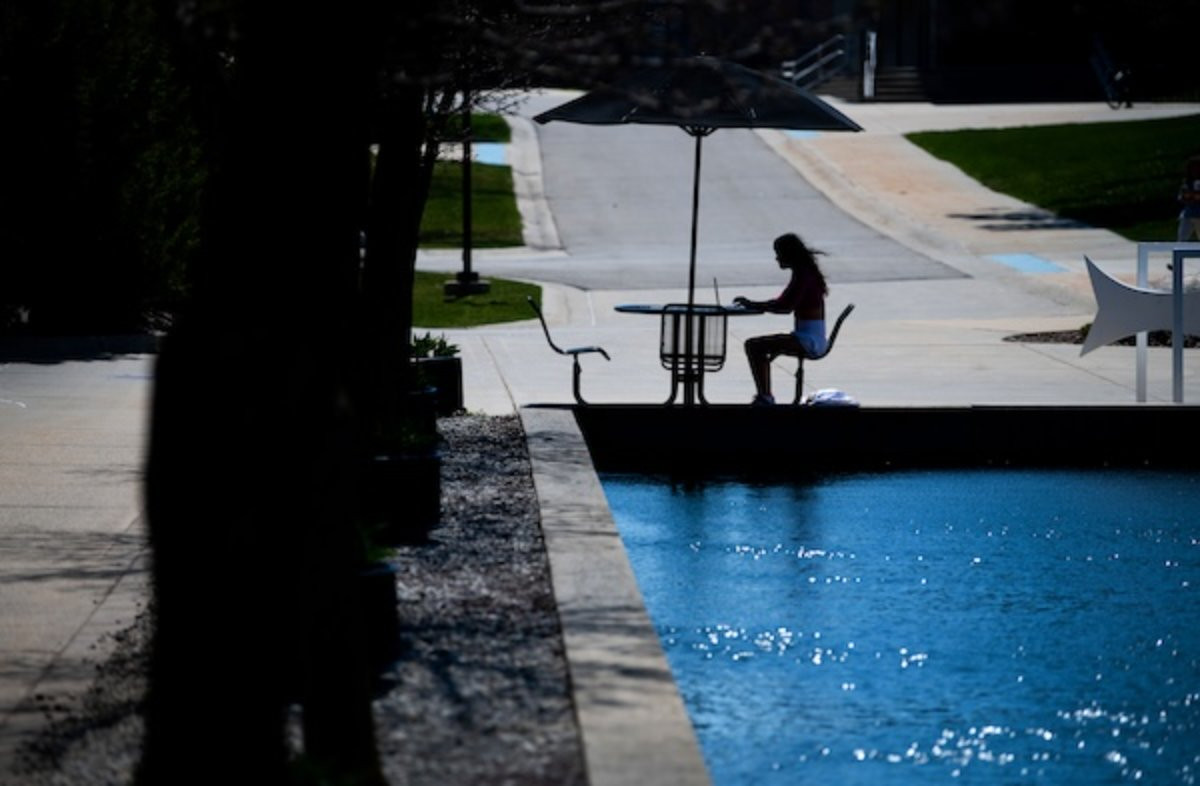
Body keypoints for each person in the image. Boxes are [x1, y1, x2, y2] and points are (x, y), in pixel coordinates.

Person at [733, 233, 828, 406]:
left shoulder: (803, 276)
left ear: (789, 254)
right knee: (757, 346)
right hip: (809, 339)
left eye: (779, 253)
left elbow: (784, 307)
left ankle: (765, 397)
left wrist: (755, 305)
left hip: (808, 341)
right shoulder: (805, 273)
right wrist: (758, 305)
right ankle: (765, 395)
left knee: (754, 346)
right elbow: (782, 302)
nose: (777, 258)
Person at [1178, 156, 1200, 242]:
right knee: (1181, 240)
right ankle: (1179, 255)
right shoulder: (1187, 182)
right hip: (1188, 214)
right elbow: (1182, 197)